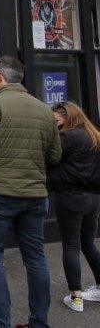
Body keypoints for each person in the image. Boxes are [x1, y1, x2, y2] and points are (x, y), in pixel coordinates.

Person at [0, 56, 62, 328]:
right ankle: (39, 322)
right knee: (35, 256)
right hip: (35, 194)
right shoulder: (44, 110)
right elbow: (55, 155)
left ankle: (0, 323)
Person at [48, 101, 100, 313]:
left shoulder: (66, 137)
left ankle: (76, 296)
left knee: (70, 245)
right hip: (93, 198)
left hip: (70, 197)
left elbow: (50, 160)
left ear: (67, 118)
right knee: (88, 243)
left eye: (57, 121)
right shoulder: (94, 134)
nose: (55, 125)